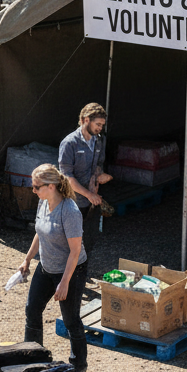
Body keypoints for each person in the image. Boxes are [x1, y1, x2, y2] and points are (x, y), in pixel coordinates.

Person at [19, 163, 88, 372]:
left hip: (70, 270)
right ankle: (33, 357)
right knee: (32, 309)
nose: (33, 191)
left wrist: (65, 282)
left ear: (51, 186)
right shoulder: (43, 202)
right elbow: (39, 232)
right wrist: (27, 259)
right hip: (46, 266)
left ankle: (79, 365)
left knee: (70, 319)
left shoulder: (70, 211)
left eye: (36, 187)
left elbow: (75, 251)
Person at [57, 102, 113, 258]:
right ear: (86, 120)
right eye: (98, 124)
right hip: (72, 201)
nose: (100, 128)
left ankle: (82, 270)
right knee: (68, 244)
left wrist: (98, 176)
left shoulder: (99, 140)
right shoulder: (70, 143)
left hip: (91, 202)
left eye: (102, 125)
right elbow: (67, 177)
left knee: (88, 241)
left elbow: (98, 164)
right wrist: (89, 194)